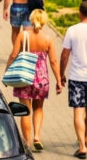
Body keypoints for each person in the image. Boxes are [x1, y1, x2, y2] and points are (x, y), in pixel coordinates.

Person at [4, 8, 62, 151]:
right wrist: (59, 81)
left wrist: (7, 71)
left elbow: (13, 54)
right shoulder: (48, 39)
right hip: (41, 79)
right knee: (39, 108)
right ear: (44, 22)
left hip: (25, 77)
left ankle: (27, 143)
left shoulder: (23, 35)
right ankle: (37, 136)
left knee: (25, 110)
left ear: (31, 19)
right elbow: (54, 62)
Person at [59, 1, 87, 159]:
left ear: (80, 13)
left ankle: (82, 146)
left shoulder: (72, 30)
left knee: (78, 110)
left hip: (77, 77)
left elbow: (64, 55)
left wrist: (61, 74)